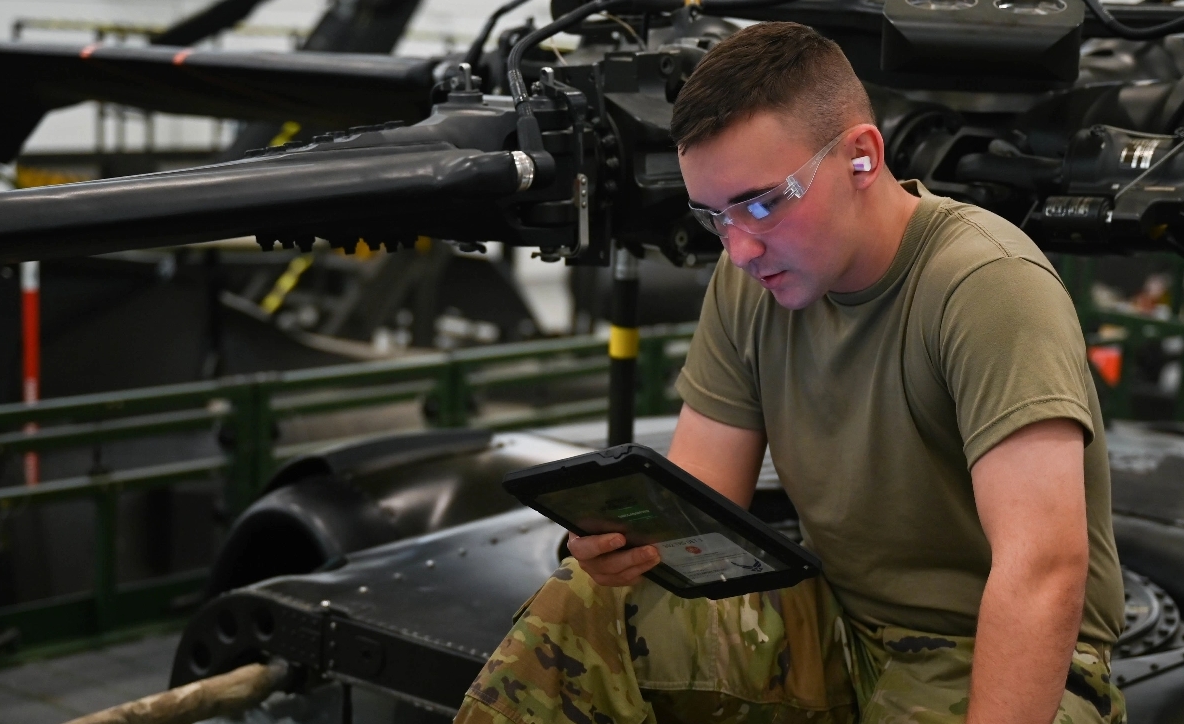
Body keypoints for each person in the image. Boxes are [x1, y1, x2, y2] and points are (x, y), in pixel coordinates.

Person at [454, 21, 1125, 724]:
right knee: (595, 598)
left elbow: (1043, 571)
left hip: (988, 648)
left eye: (764, 202)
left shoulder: (986, 284)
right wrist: (627, 545)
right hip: (839, 626)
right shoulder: (752, 281)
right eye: (715, 216)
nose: (739, 248)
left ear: (862, 158)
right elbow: (702, 506)